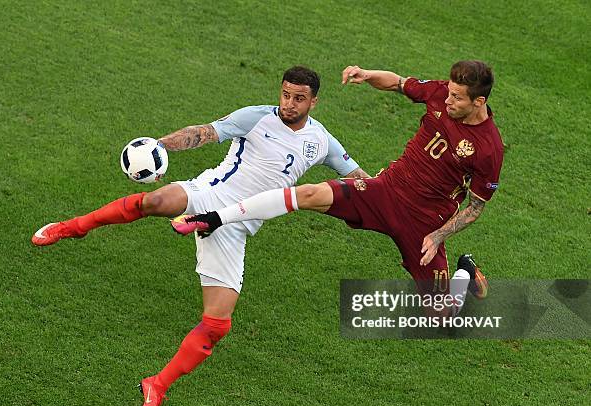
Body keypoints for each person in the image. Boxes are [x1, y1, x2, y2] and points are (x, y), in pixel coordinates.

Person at [31, 66, 368, 406]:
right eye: (285, 94)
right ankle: (71, 228)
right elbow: (204, 134)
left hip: (234, 228)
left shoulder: (323, 142)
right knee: (155, 202)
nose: (289, 103)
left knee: (217, 325)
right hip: (211, 194)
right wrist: (161, 145)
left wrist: (395, 196)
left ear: (314, 101)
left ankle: (156, 385)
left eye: (298, 98)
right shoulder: (255, 117)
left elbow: (361, 181)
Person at [176, 60, 504, 313]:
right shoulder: (440, 93)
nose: (447, 100)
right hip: (385, 192)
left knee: (442, 315)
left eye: (457, 98)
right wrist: (366, 74)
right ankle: (215, 218)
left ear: (479, 102)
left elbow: (475, 208)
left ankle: (465, 273)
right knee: (308, 194)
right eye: (448, 92)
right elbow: (399, 83)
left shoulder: (489, 149)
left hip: (425, 224)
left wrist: (438, 236)